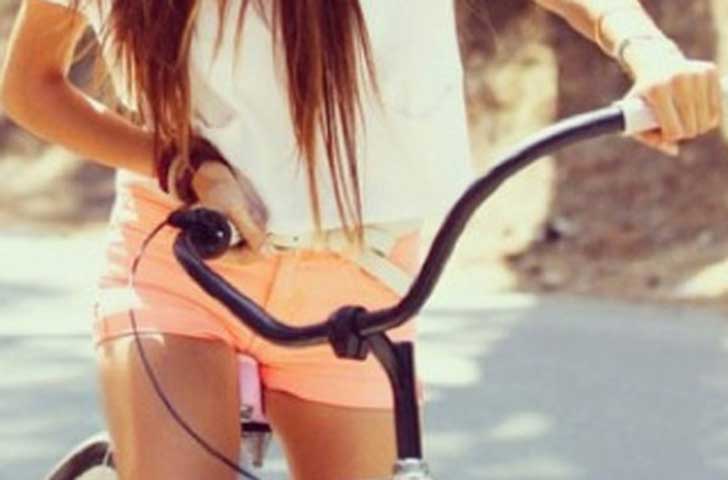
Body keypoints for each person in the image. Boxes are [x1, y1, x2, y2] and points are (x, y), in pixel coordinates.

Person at [0, 0, 722, 478]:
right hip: (188, 262)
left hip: (360, 283)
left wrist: (648, 52)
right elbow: (31, 86)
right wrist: (185, 167)